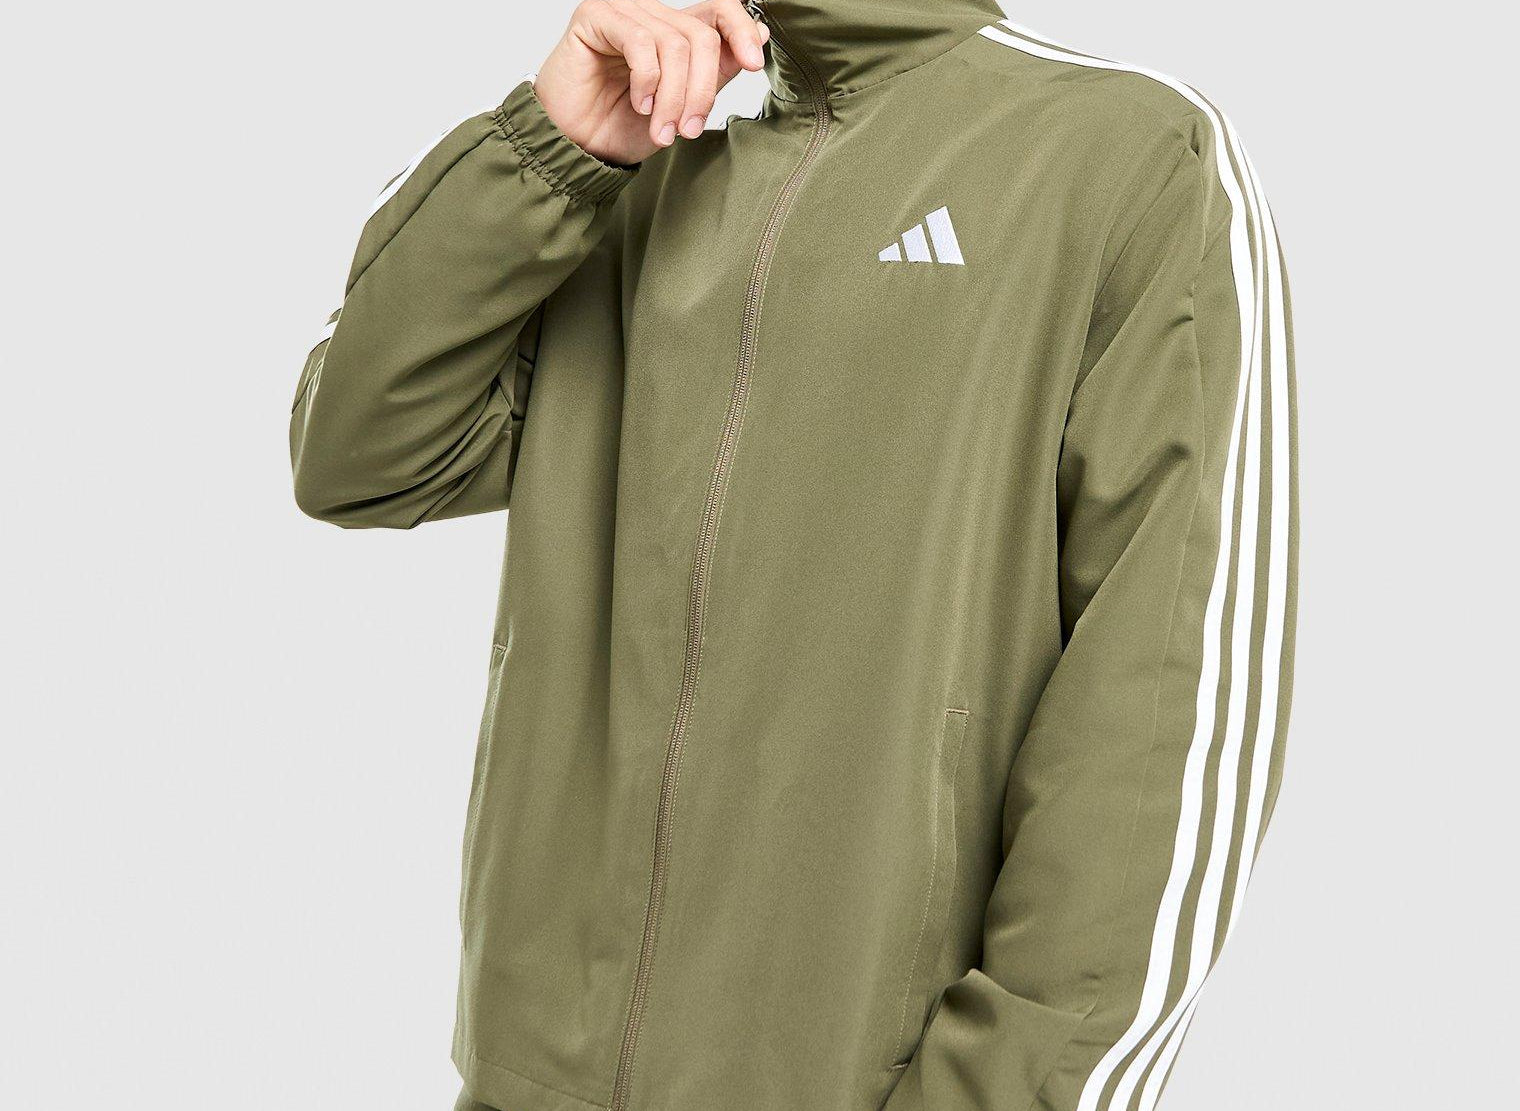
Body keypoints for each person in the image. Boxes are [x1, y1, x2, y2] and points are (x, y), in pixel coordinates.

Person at [289, 0, 1298, 1108]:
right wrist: (551, 146)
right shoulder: (634, 177)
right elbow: (360, 455)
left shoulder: (1127, 154)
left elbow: (1164, 715)